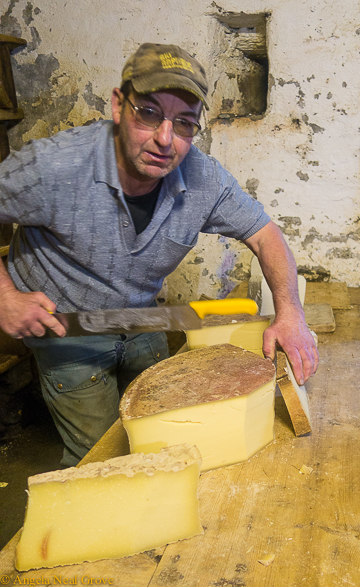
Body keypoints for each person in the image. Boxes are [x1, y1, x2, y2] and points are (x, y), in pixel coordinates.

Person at [0, 43, 318, 466]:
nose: (165, 139)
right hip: (67, 332)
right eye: (148, 113)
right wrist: (6, 296)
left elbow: (265, 235)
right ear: (118, 105)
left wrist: (290, 314)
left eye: (184, 123)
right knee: (105, 462)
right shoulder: (55, 166)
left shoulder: (203, 177)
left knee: (168, 443)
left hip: (142, 320)